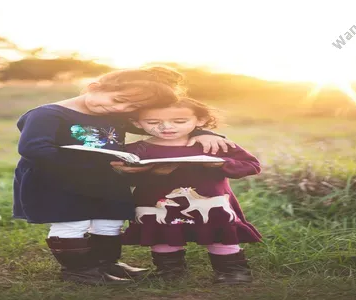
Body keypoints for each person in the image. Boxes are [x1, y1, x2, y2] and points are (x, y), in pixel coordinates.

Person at [13, 66, 236, 285]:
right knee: (72, 221)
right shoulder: (46, 115)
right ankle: (79, 270)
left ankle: (105, 263)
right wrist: (82, 165)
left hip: (103, 179)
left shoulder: (115, 114)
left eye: (133, 107)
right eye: (119, 101)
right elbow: (33, 149)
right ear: (93, 87)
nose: (123, 109)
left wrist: (203, 133)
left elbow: (158, 126)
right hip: (58, 179)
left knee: (110, 221)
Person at [113, 97, 262, 285]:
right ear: (136, 122)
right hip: (157, 202)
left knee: (219, 232)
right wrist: (142, 173)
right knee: (162, 233)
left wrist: (222, 163)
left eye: (180, 121)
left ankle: (233, 271)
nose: (166, 127)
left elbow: (251, 165)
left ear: (200, 120)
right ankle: (169, 271)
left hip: (210, 200)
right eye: (153, 122)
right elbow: (122, 178)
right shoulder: (135, 150)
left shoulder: (214, 144)